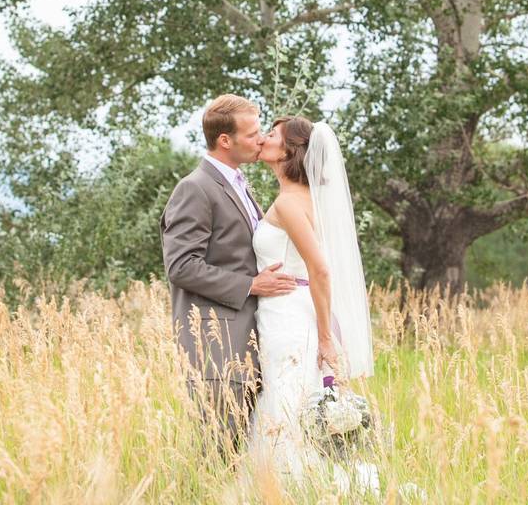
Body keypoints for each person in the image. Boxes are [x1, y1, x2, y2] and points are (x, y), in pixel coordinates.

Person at [159, 94, 297, 461]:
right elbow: (181, 266)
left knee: (242, 459)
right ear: (225, 140)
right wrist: (251, 285)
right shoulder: (195, 188)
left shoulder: (239, 183)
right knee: (217, 457)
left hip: (250, 341)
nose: (261, 140)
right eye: (252, 134)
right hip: (216, 348)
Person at [247, 115, 377, 494]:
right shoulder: (301, 199)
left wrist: (324, 337)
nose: (263, 139)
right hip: (282, 310)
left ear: (289, 151)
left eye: (271, 135)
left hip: (291, 315)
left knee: (286, 401)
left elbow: (320, 270)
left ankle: (290, 488)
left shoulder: (289, 202)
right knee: (292, 399)